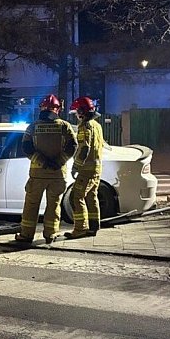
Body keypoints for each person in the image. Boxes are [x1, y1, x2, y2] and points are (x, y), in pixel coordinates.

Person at [15, 94, 77, 244]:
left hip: (38, 174)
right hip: (57, 174)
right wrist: (58, 162)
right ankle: (50, 234)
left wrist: (43, 162)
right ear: (57, 109)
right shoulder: (64, 126)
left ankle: (26, 235)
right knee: (54, 205)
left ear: (42, 108)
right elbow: (72, 146)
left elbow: (26, 148)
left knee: (31, 205)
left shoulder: (33, 127)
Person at [64, 97, 104, 239]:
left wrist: (76, 167)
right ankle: (94, 226)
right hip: (96, 168)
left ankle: (80, 228)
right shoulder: (97, 126)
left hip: (86, 169)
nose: (75, 115)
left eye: (76, 112)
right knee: (91, 196)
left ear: (81, 112)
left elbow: (84, 148)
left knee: (76, 197)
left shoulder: (84, 126)